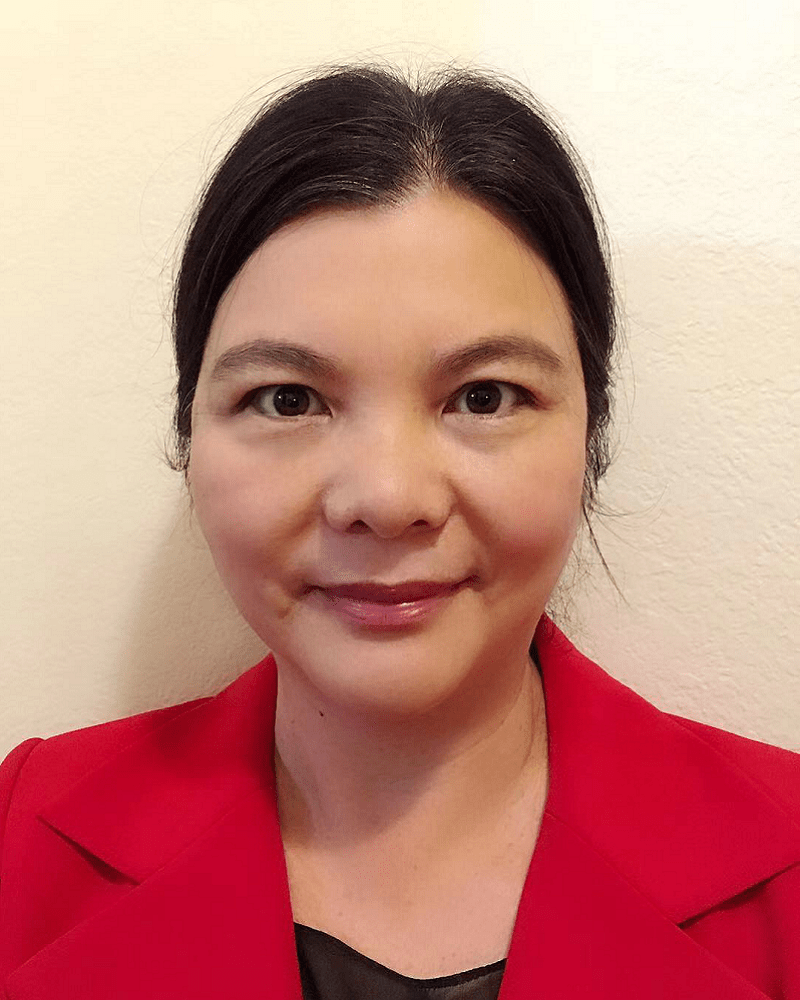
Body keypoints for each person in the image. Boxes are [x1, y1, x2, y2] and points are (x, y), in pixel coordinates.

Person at [1, 62, 798, 1000]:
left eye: (485, 396)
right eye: (287, 399)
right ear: (189, 437)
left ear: (592, 433)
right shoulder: (23, 837)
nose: (386, 497)